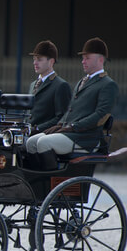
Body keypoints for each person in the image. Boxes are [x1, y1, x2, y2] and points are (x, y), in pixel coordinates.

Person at [25, 37, 118, 170]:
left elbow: (101, 115)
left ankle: (52, 177)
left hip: (86, 139)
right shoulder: (82, 82)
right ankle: (38, 179)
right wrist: (60, 125)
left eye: (87, 58)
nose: (83, 61)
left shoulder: (108, 84)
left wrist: (73, 126)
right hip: (72, 134)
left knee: (43, 142)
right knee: (31, 142)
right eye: (83, 58)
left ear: (100, 59)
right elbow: (70, 110)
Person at [27, 40, 71, 134]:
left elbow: (62, 118)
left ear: (51, 61)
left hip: (45, 135)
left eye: (39, 59)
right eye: (34, 59)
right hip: (29, 133)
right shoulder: (33, 84)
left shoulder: (60, 85)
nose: (35, 63)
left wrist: (37, 129)